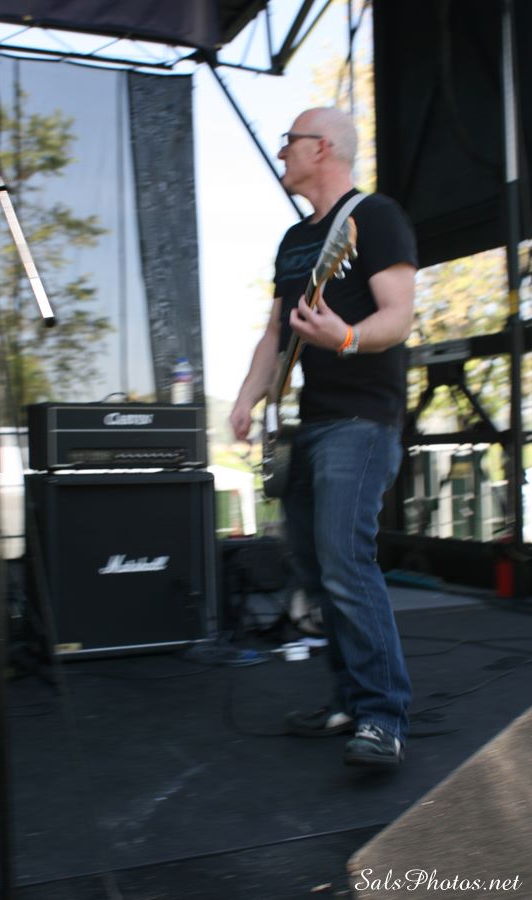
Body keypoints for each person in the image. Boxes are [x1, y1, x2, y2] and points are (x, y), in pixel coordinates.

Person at [229, 106, 417, 768]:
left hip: (362, 421)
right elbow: (275, 333)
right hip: (308, 423)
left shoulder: (377, 217)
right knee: (313, 568)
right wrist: (248, 395)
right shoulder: (291, 241)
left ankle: (383, 717)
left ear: (324, 148)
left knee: (344, 559)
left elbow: (398, 317)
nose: (282, 152)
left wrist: (346, 336)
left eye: (290, 142)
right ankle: (349, 701)